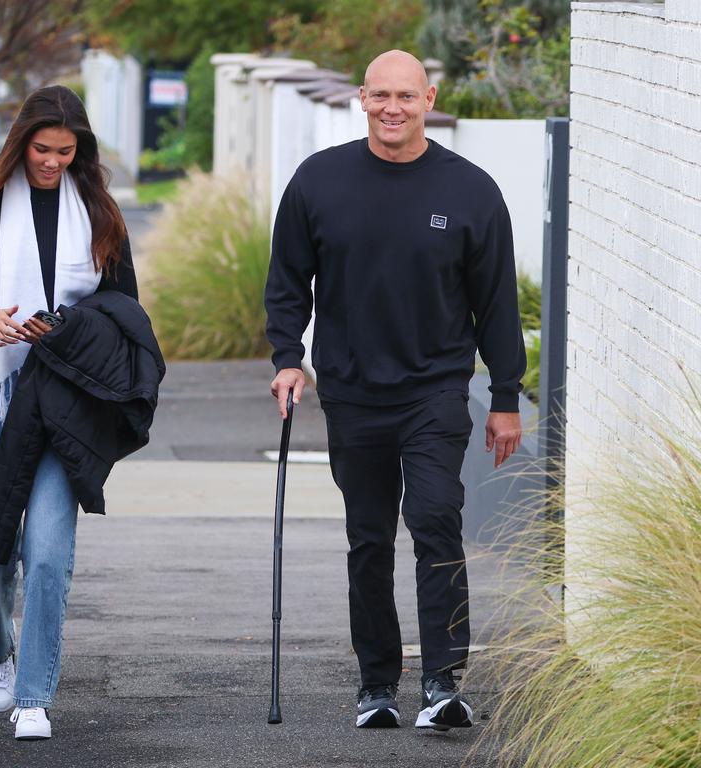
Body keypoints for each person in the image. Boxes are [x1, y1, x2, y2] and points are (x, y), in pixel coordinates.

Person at [264, 50, 526, 732]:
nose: (392, 107)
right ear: (360, 97)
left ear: (428, 98)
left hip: (435, 390)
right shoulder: (320, 181)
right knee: (368, 537)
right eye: (380, 94)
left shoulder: (470, 190)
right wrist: (288, 359)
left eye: (406, 96)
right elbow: (288, 280)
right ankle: (377, 683)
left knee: (437, 518)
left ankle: (443, 680)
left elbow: (495, 305)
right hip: (351, 392)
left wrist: (504, 397)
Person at [0, 84, 141, 741]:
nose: (53, 162)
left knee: (49, 554)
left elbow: (126, 316)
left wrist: (65, 330)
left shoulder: (99, 213)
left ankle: (34, 697)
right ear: (20, 143)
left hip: (66, 404)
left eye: (66, 151)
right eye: (42, 150)